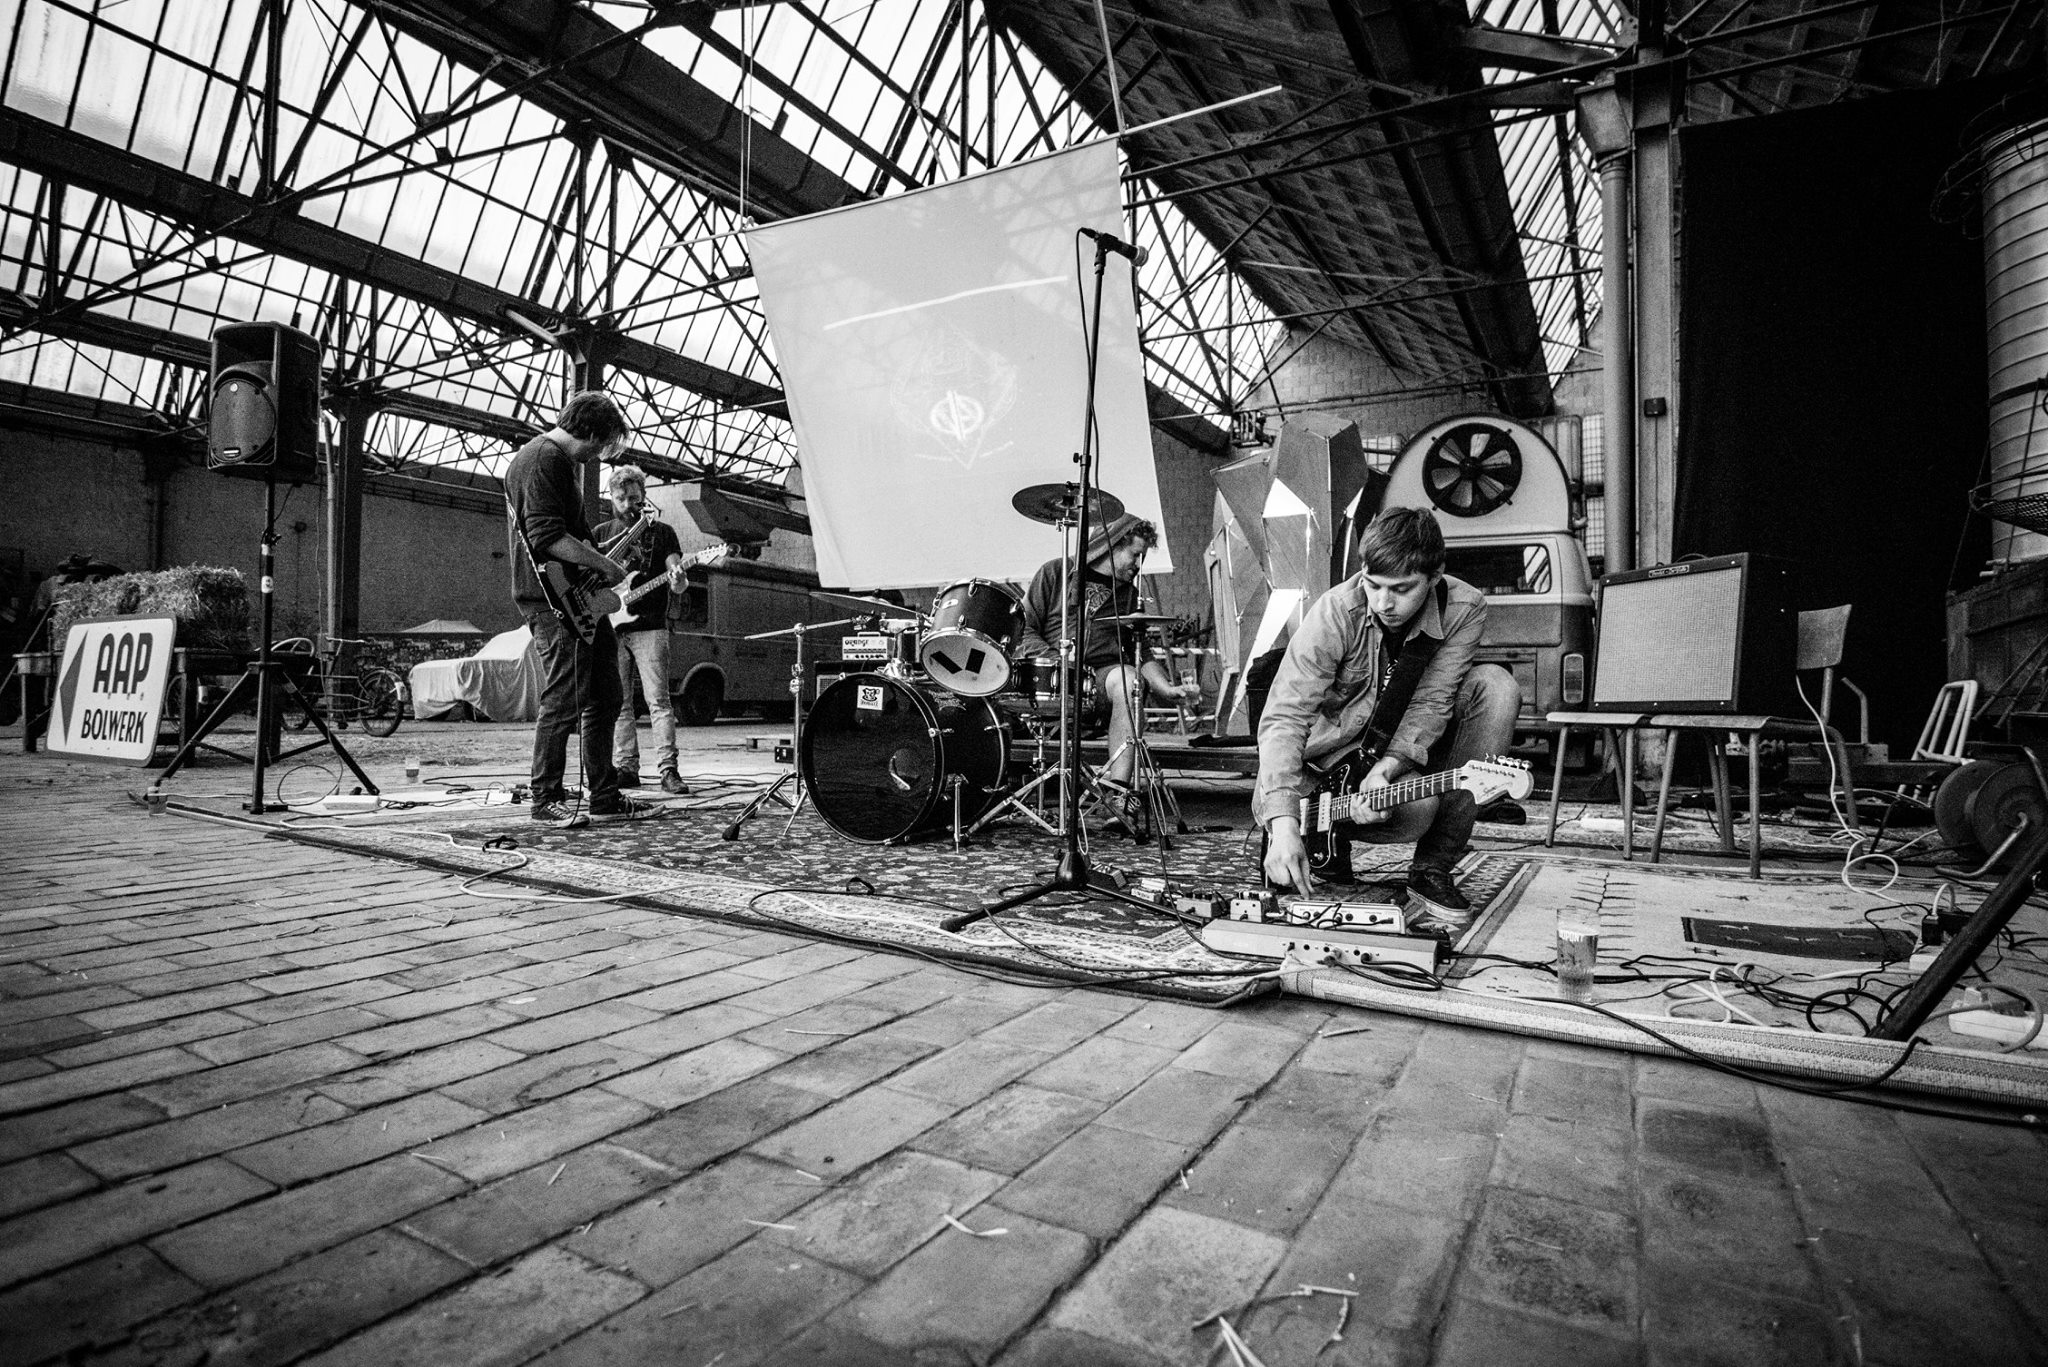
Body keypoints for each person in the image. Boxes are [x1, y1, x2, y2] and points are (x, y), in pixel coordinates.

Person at [1255, 505, 1521, 937]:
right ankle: (1318, 833)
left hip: (1393, 754)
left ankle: (1432, 868)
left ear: (1435, 576)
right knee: (1411, 808)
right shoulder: (1335, 612)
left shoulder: (1464, 607)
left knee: (1495, 687)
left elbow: (1433, 702)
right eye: (1373, 584)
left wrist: (1385, 770)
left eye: (1401, 589)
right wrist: (1284, 822)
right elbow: (1285, 716)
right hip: (1321, 767)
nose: (1384, 603)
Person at [503, 391, 654, 825]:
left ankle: (604, 794)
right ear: (588, 431)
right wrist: (605, 564)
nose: (599, 454)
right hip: (552, 601)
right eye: (602, 443)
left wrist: (605, 554)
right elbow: (546, 537)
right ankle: (545, 797)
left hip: (575, 598)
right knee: (563, 698)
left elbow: (572, 541)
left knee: (607, 695)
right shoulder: (543, 459)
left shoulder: (555, 462)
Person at [1016, 512, 1199, 830]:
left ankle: (1119, 793)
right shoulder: (1056, 573)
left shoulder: (1128, 595)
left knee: (1129, 681)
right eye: (1135, 555)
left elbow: (1140, 652)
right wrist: (1058, 662)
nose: (1138, 565)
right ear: (1111, 546)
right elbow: (1024, 629)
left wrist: (1167, 689)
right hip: (1051, 680)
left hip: (1099, 682)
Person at [594, 464, 687, 794]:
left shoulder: (663, 532)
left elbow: (678, 580)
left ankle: (668, 770)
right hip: (611, 628)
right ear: (611, 497)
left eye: (633, 498)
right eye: (621, 498)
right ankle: (626, 768)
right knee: (619, 704)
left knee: (658, 701)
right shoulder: (601, 533)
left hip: (651, 628)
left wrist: (678, 578)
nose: (627, 504)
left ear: (644, 496)